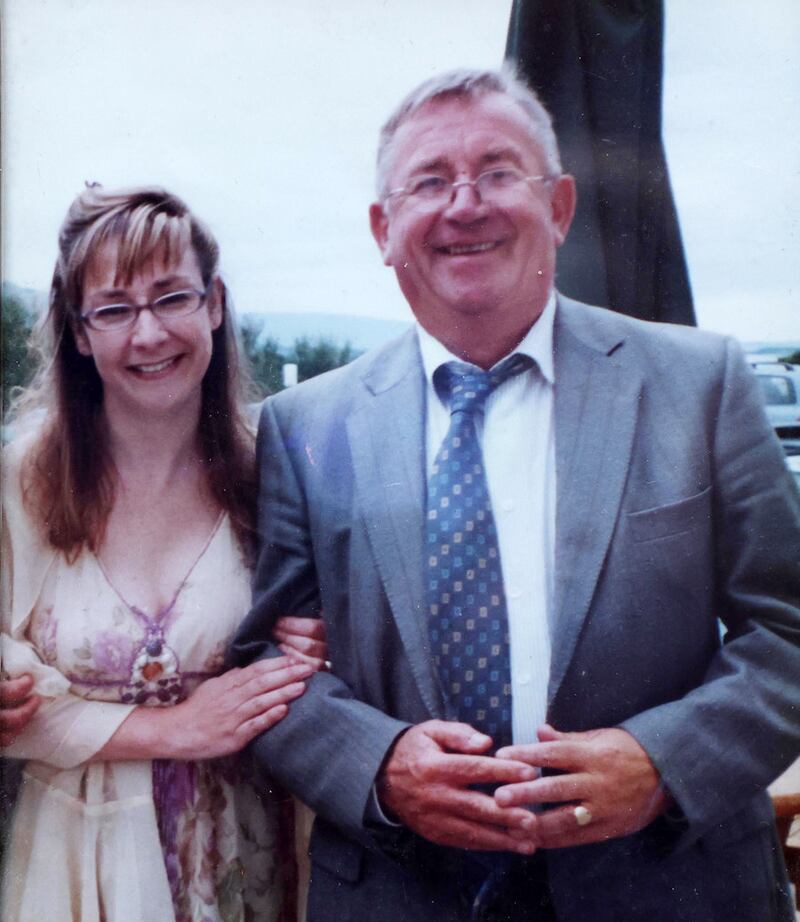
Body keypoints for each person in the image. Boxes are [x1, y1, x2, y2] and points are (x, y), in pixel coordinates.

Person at [230, 68, 800, 922]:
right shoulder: (307, 427)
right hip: (404, 891)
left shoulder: (700, 384)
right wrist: (378, 764)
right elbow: (267, 662)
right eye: (429, 182)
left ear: (560, 207)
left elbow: (786, 629)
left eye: (498, 172)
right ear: (384, 230)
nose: (465, 205)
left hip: (671, 886)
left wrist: (663, 761)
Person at [1, 185, 327, 921]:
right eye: (115, 309)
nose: (148, 334)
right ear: (80, 335)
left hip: (252, 855)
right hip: (81, 867)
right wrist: (169, 729)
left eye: (172, 298)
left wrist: (319, 645)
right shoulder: (20, 484)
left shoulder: (274, 474)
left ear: (214, 304)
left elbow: (329, 637)